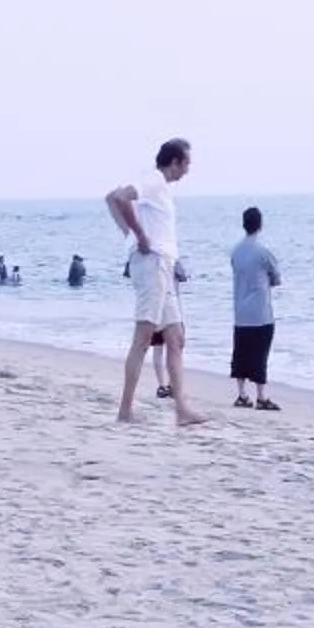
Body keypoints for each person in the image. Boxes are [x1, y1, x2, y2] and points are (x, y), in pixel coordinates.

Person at [106, 137, 205, 427]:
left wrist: (131, 235)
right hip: (152, 265)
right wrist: (139, 236)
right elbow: (119, 197)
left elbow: (110, 197)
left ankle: (181, 410)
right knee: (144, 337)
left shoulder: (156, 185)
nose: (187, 170)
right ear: (175, 162)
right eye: (186, 163)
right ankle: (125, 411)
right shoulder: (154, 181)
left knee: (175, 338)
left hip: (163, 265)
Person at [229, 206, 282, 411]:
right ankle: (260, 396)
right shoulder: (263, 251)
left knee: (240, 353)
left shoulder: (236, 251)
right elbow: (276, 278)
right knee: (260, 354)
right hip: (260, 312)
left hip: (240, 312)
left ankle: (242, 394)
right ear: (260, 225)